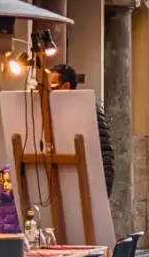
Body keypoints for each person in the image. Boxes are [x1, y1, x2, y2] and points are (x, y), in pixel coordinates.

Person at [48, 64, 115, 195]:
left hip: (83, 187)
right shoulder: (48, 111)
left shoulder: (89, 111)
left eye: (52, 86)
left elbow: (105, 153)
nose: (49, 91)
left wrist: (103, 192)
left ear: (65, 87)